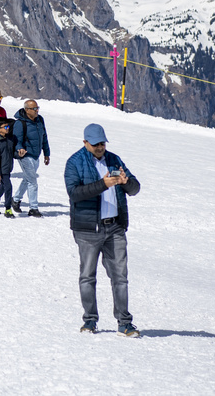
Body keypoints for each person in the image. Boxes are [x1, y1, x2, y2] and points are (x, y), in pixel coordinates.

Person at [64, 123, 142, 337]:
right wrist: (103, 184)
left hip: (115, 227)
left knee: (120, 277)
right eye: (96, 144)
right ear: (85, 142)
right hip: (88, 230)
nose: (100, 147)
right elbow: (74, 193)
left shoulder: (114, 159)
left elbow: (135, 189)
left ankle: (124, 323)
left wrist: (126, 182)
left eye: (102, 143)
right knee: (87, 276)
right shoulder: (75, 162)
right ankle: (89, 321)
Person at [12, 99, 51, 217]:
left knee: (28, 178)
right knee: (32, 182)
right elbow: (16, 140)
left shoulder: (40, 120)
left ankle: (15, 199)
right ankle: (33, 208)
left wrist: (46, 153)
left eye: (37, 108)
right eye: (34, 109)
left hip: (36, 155)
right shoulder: (20, 123)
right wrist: (20, 148)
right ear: (26, 110)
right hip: (25, 155)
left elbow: (44, 137)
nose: (36, 110)